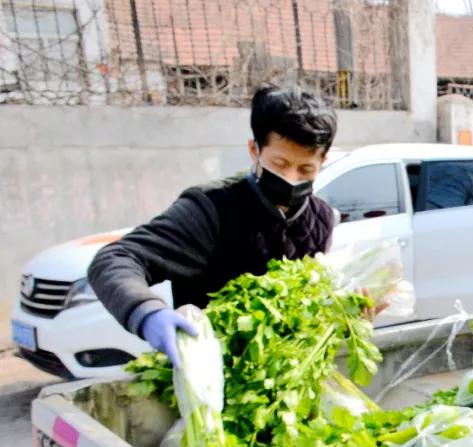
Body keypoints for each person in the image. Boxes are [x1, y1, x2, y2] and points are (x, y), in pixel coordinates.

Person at [88, 85, 340, 368]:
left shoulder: (321, 219)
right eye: (280, 164)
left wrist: (343, 313)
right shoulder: (211, 209)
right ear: (254, 150)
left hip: (286, 373)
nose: (291, 179)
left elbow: (309, 305)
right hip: (210, 371)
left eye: (305, 169)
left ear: (323, 160)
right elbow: (116, 259)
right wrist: (146, 313)